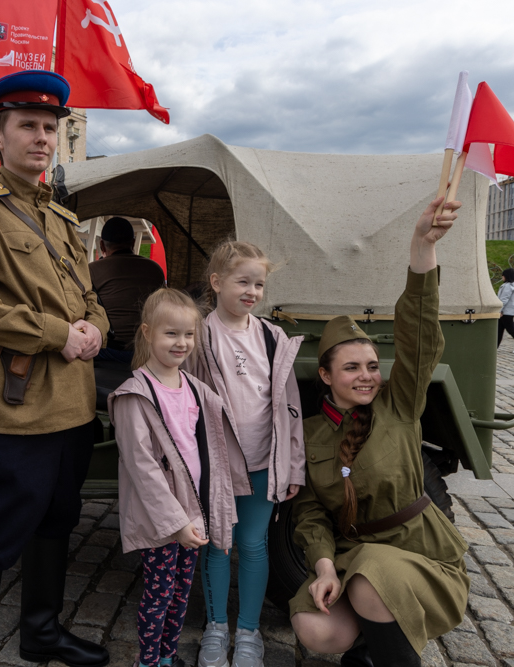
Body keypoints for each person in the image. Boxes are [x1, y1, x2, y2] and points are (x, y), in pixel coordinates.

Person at [0, 70, 111, 667]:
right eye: (28, 126)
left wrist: (95, 328)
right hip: (15, 409)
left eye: (49, 128)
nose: (41, 137)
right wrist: (59, 334)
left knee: (56, 521)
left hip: (71, 404)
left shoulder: (65, 222)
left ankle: (41, 634)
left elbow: (90, 300)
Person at [289, 197, 469, 667]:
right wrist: (324, 564)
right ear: (326, 376)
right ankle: (368, 647)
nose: (367, 375)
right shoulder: (308, 435)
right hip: (356, 555)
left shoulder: (400, 404)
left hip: (421, 554)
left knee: (372, 579)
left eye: (372, 365)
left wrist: (422, 246)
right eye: (352, 368)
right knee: (315, 627)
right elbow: (310, 514)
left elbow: (420, 333)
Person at [188, 241, 305, 667]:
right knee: (217, 545)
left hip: (262, 461)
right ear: (216, 283)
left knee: (254, 545)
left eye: (259, 283)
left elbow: (289, 406)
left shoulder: (273, 338)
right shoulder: (198, 334)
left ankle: (250, 632)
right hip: (216, 462)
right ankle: (217, 628)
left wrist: (293, 464)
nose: (252, 291)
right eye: (243, 281)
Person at [109, 289, 238, 667]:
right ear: (147, 332)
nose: (181, 343)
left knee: (182, 590)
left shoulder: (194, 389)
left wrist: (212, 520)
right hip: (163, 518)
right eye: (171, 334)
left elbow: (210, 459)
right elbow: (142, 467)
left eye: (188, 334)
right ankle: (148, 660)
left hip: (191, 513)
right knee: (159, 592)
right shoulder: (137, 395)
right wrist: (177, 523)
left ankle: (168, 656)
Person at [88, 217, 166, 364]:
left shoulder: (91, 270)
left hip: (108, 350)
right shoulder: (155, 269)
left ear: (102, 246)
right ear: (133, 242)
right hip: (147, 349)